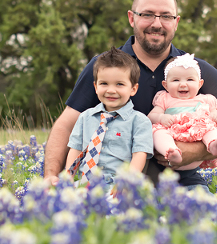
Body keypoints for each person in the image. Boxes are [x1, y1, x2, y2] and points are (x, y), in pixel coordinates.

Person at [45, 0, 217, 189]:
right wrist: (51, 176)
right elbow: (67, 125)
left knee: (205, 220)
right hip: (112, 182)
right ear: (131, 18)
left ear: (176, 22)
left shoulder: (194, 70)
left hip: (181, 183)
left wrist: (194, 151)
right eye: (148, 14)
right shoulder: (106, 67)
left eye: (166, 16)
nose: (157, 23)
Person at [63, 47, 153, 188]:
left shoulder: (140, 121)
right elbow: (75, 148)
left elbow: (139, 156)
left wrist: (126, 182)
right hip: (84, 184)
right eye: (104, 83)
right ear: (96, 87)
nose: (111, 90)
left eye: (119, 84)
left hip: (118, 184)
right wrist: (68, 177)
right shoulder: (85, 117)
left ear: (133, 89)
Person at [148, 54, 217, 170]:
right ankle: (171, 151)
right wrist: (161, 118)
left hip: (197, 132)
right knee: (157, 132)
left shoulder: (205, 99)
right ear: (165, 85)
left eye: (190, 79)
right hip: (172, 131)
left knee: (210, 128)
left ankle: (213, 144)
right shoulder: (164, 98)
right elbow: (151, 116)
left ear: (200, 84)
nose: (183, 84)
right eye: (176, 80)